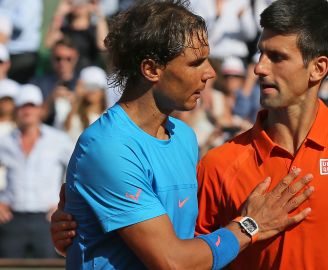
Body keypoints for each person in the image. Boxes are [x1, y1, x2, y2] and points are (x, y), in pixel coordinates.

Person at [53, 0, 328, 268]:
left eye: (276, 57)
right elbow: (181, 258)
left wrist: (80, 229)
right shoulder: (216, 163)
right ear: (152, 70)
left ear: (318, 68)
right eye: (260, 54)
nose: (258, 68)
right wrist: (250, 225)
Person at [52, 1, 314, 269]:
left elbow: (197, 237)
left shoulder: (184, 137)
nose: (210, 73)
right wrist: (250, 225)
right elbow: (172, 262)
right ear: (151, 69)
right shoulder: (108, 148)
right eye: (196, 62)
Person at [0, 84, 74, 258]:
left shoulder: (59, 140)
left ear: (40, 109)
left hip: (47, 218)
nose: (28, 111)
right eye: (23, 106)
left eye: (32, 106)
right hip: (12, 218)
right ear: (16, 110)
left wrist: (64, 202)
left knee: (49, 267)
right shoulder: (5, 142)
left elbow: (79, 170)